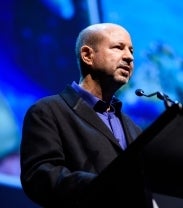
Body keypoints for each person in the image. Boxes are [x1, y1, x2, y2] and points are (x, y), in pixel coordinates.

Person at [20, 23, 156, 208]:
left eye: (131, 51)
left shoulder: (134, 129)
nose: (129, 57)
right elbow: (39, 176)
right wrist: (104, 186)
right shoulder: (48, 111)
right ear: (87, 56)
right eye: (118, 47)